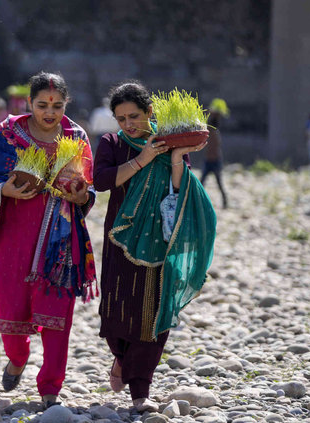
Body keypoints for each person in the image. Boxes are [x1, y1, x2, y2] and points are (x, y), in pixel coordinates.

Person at [0, 71, 98, 409]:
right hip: (15, 238)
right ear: (29, 103)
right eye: (42, 105)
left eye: (57, 105)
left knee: (58, 315)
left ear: (65, 105)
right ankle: (17, 358)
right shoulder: (9, 135)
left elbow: (89, 189)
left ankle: (50, 387)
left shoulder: (76, 136)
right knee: (13, 315)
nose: (50, 112)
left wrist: (80, 198)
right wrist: (6, 189)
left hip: (60, 244)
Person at [93, 81, 216, 413]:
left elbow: (179, 187)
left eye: (134, 115)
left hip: (161, 237)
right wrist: (142, 158)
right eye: (121, 119)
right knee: (117, 310)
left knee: (153, 313)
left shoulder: (169, 139)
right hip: (121, 238)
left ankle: (140, 391)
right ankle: (121, 358)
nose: (128, 124)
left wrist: (175, 157)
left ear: (150, 112)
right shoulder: (112, 143)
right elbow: (101, 181)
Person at [201, 98, 229, 208]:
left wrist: (215, 111)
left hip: (215, 161)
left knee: (219, 184)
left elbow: (215, 118)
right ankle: (197, 201)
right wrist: (211, 110)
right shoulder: (209, 131)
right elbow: (207, 116)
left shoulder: (215, 132)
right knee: (201, 183)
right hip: (209, 161)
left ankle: (225, 202)